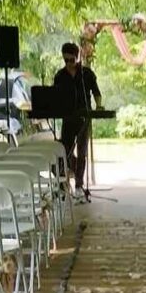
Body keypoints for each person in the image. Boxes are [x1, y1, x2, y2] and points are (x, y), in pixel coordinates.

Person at [53, 42, 102, 200]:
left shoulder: (85, 74)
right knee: (65, 151)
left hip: (83, 118)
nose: (68, 63)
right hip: (68, 118)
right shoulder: (60, 76)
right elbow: (55, 96)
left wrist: (99, 105)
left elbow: (96, 92)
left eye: (71, 60)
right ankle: (63, 184)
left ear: (77, 57)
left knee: (82, 152)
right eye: (65, 60)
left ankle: (79, 185)